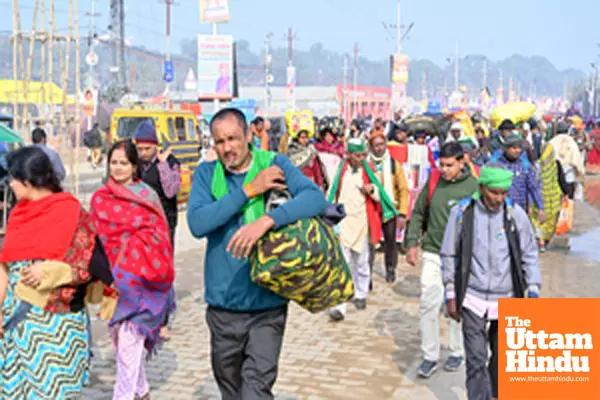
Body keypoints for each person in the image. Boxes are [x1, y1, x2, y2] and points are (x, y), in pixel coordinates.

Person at [187, 108, 327, 399]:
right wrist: (249, 190)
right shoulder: (206, 174)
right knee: (232, 392)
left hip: (267, 305)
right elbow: (198, 223)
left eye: (233, 139)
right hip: (224, 307)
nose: (227, 148)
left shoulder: (274, 165)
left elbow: (315, 198)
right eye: (219, 141)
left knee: (256, 391)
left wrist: (268, 220)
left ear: (249, 135)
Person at [0, 146, 113, 398]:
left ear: (28, 181)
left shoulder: (72, 214)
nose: (9, 184)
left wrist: (50, 271)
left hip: (57, 329)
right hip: (17, 328)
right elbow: (5, 265)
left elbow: (91, 268)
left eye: (12, 178)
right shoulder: (18, 214)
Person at [441, 163, 542, 400]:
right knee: (476, 358)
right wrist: (451, 294)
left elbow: (529, 253)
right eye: (493, 192)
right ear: (482, 187)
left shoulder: (515, 215)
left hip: (507, 297)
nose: (498, 198)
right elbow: (448, 253)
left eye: (503, 193)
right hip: (472, 297)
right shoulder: (462, 213)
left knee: (502, 358)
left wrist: (534, 288)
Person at [91, 140, 175, 400]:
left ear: (134, 166)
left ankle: (124, 396)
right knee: (119, 343)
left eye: (123, 163)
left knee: (128, 345)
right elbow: (94, 241)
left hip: (144, 282)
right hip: (114, 283)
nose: (118, 168)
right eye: (113, 163)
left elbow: (162, 235)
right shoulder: (101, 198)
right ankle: (142, 391)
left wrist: (135, 247)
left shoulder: (147, 196)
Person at [405, 142, 478, 378]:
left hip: (461, 259)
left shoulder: (474, 186)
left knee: (457, 306)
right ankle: (430, 356)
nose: (444, 169)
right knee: (429, 303)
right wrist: (412, 244)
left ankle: (457, 351)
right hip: (434, 253)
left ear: (461, 162)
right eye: (441, 165)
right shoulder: (434, 181)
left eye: (449, 165)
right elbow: (418, 213)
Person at [328, 138, 397, 320]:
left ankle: (361, 294)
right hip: (343, 222)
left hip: (362, 223)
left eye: (363, 155)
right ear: (349, 154)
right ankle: (339, 306)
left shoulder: (369, 170)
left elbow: (378, 194)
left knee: (362, 262)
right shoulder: (340, 170)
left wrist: (371, 189)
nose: (361, 158)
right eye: (357, 155)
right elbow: (332, 192)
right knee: (342, 264)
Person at [368, 132, 409, 283]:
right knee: (370, 241)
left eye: (381, 144)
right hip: (371, 209)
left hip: (390, 209)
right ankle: (367, 273)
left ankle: (390, 269)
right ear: (371, 147)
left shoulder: (393, 164)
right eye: (376, 145)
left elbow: (403, 189)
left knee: (390, 242)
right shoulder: (367, 164)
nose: (379, 148)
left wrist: (403, 213)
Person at [134, 121, 181, 244]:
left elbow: (171, 191)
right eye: (140, 149)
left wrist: (163, 164)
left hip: (165, 221)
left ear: (156, 146)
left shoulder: (171, 162)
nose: (143, 153)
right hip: (142, 222)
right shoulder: (136, 163)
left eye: (147, 148)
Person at [490, 133, 544, 220]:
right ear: (506, 148)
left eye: (519, 148)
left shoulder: (525, 166)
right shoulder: (496, 165)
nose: (517, 150)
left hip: (519, 211)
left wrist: (540, 208)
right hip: (499, 212)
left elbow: (534, 187)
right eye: (514, 148)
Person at [550, 121, 583, 199]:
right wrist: (580, 172)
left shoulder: (551, 142)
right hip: (569, 174)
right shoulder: (571, 142)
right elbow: (576, 160)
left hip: (554, 175)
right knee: (569, 200)